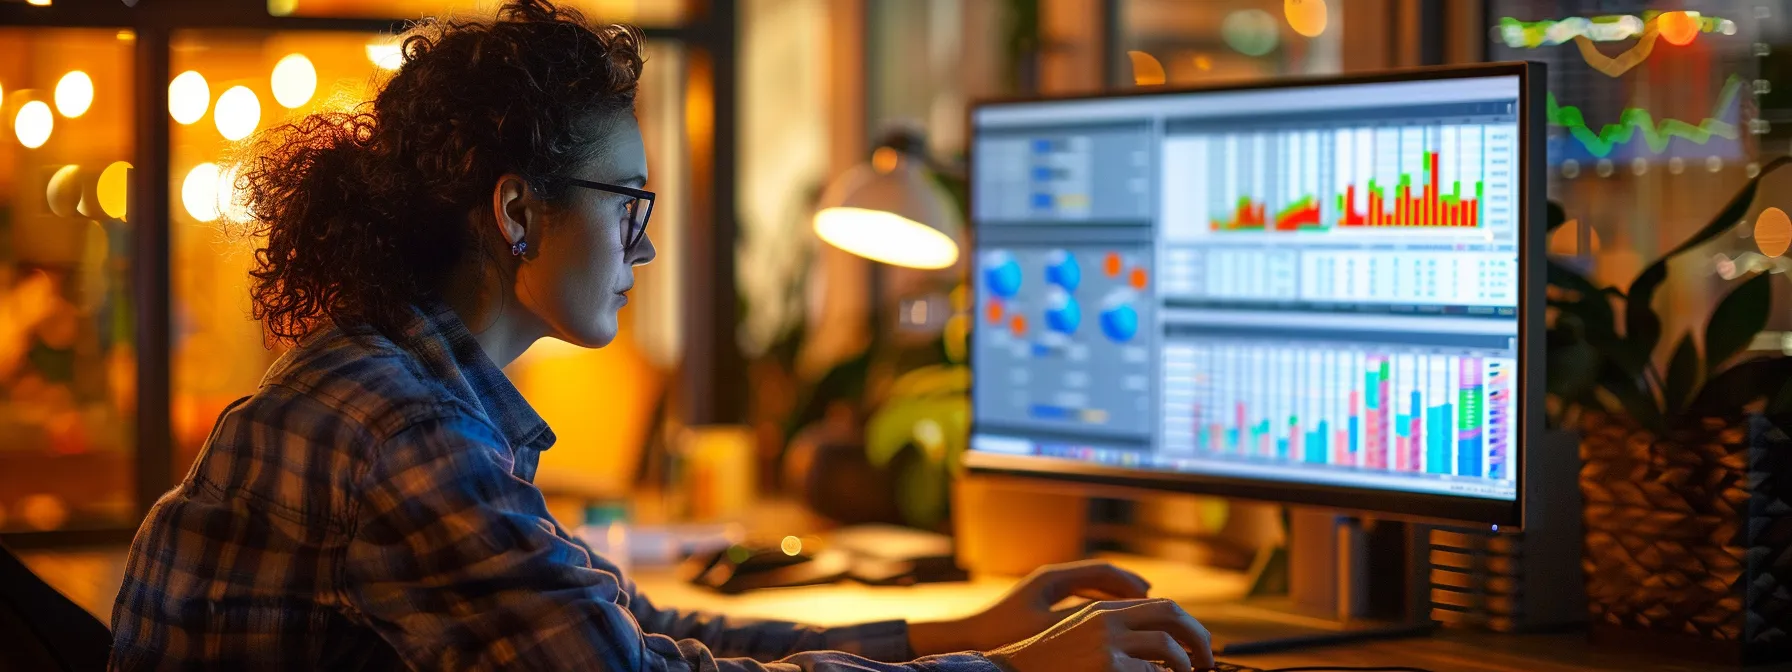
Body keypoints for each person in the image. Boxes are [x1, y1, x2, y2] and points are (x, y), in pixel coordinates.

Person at [107, 2, 1213, 670]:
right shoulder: (403, 432)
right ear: (517, 211)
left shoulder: (390, 383)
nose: (641, 250)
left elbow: (624, 625)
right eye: (626, 202)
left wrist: (960, 633)